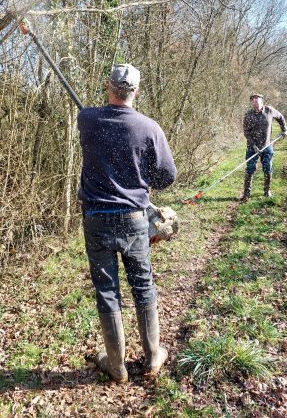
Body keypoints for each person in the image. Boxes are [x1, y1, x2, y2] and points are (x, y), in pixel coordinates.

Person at [77, 63, 176, 383]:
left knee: (107, 290)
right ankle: (151, 358)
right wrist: (143, 176)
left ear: (108, 86)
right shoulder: (149, 128)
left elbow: (93, 121)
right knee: (143, 284)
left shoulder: (87, 119)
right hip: (134, 219)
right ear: (136, 91)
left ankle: (117, 366)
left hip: (96, 220)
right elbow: (167, 176)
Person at [240, 93, 287, 202]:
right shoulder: (248, 115)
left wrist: (284, 129)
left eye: (257, 99)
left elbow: (280, 117)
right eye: (252, 100)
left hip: (267, 146)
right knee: (250, 169)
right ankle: (246, 193)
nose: (254, 101)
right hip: (252, 147)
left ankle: (267, 191)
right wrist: (253, 145)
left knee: (268, 168)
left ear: (262, 101)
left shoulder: (269, 111)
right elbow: (246, 132)